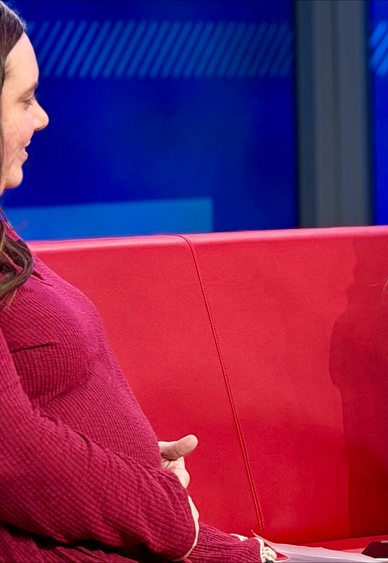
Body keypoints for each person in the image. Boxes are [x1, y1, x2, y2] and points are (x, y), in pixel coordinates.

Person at [0, 4, 272, 561]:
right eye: (25, 99)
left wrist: (136, 460)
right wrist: (168, 515)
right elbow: (12, 455)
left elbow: (38, 396)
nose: (43, 117)